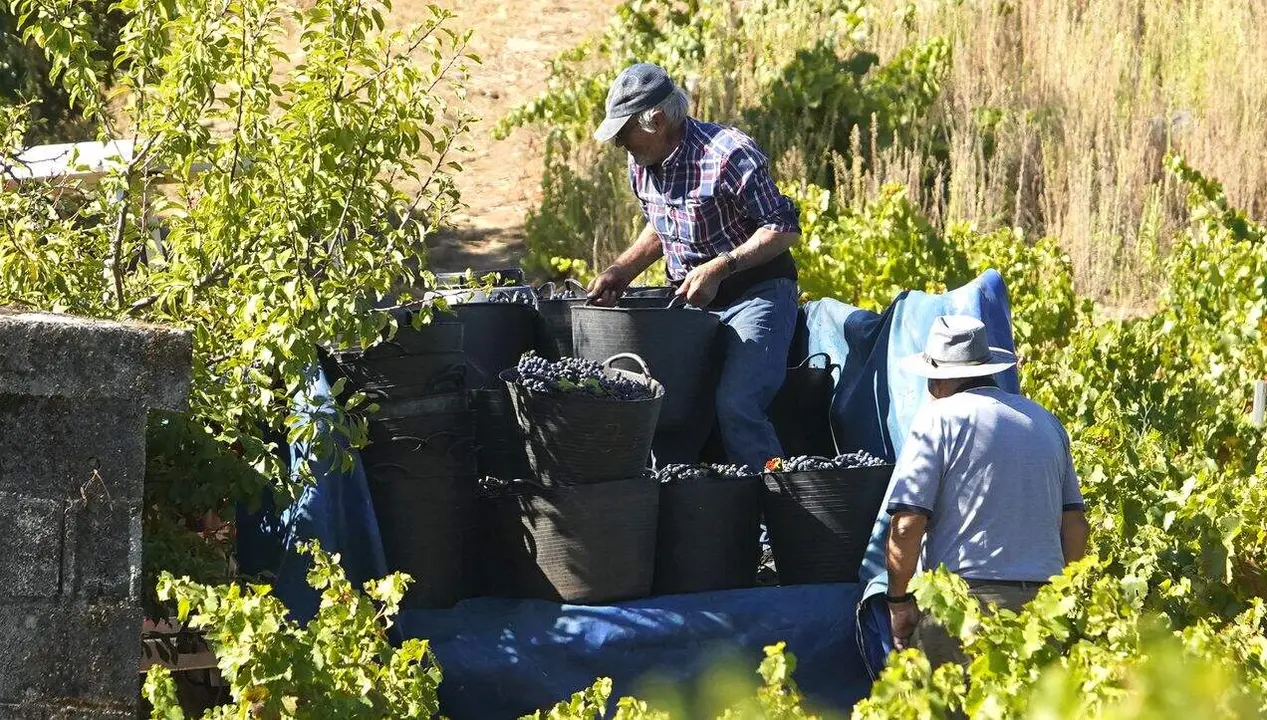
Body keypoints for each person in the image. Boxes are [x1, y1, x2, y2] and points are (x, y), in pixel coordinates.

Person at [586, 62, 802, 473]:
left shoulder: (729, 154)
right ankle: (685, 499)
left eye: (623, 132)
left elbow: (783, 229)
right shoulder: (641, 160)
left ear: (657, 121)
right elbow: (662, 225)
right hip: (692, 302)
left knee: (738, 406)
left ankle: (776, 501)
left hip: (756, 294)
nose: (618, 144)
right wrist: (621, 271)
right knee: (672, 408)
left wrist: (721, 267)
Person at [883, 315, 1090, 668]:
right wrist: (1061, 597)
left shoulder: (938, 419)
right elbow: (1076, 526)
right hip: (1044, 609)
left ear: (937, 379)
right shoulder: (1045, 422)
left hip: (964, 607)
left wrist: (898, 601)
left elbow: (907, 524)